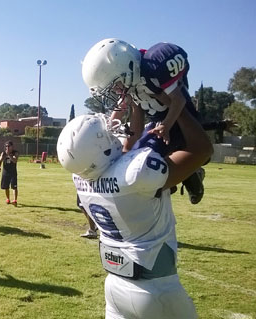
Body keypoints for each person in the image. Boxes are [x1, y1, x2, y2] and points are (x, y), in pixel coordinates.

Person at [57, 110, 212, 319]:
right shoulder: (136, 174)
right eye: (108, 135)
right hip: (156, 289)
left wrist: (136, 107)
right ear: (99, 150)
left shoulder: (81, 175)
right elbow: (202, 149)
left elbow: (128, 147)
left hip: (115, 287)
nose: (114, 135)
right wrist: (176, 106)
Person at [82, 38, 206, 205]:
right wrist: (108, 129)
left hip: (178, 120)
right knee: (132, 157)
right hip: (158, 124)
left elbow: (179, 101)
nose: (116, 90)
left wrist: (166, 125)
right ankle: (172, 182)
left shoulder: (153, 69)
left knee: (145, 166)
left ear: (127, 67)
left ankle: (191, 173)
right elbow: (132, 114)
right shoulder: (131, 82)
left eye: (115, 85)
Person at [0, 141, 19, 206]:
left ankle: (15, 200)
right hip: (5, 172)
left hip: (13, 172)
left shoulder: (15, 153)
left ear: (12, 146)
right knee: (6, 187)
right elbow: (0, 160)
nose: (7, 147)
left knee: (14, 187)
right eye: (6, 146)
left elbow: (15, 161)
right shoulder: (3, 153)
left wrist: (9, 155)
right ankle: (8, 199)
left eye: (8, 146)